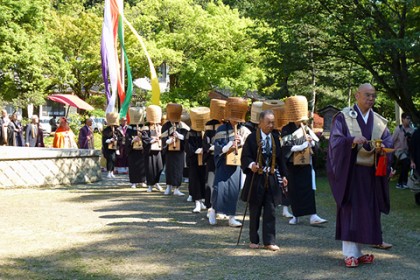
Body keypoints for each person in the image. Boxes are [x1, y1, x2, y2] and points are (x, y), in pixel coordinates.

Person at [327, 83, 393, 268]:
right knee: (350, 209)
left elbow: (387, 140)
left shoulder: (379, 121)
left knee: (366, 210)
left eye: (373, 96)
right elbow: (335, 141)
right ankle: (349, 253)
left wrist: (384, 151)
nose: (371, 99)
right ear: (357, 95)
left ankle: (358, 252)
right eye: (367, 95)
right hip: (351, 171)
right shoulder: (344, 117)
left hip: (370, 174)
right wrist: (351, 140)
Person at [241, 110, 288, 251]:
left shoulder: (275, 138)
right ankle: (253, 240)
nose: (271, 125)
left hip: (272, 178)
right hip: (256, 178)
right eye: (268, 122)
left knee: (271, 210)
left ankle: (269, 241)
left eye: (273, 122)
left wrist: (284, 176)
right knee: (255, 210)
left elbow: (281, 159)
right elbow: (245, 157)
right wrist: (251, 165)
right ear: (260, 122)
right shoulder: (251, 138)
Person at [281, 96, 327, 226]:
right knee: (294, 190)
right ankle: (296, 216)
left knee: (308, 190)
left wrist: (312, 143)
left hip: (306, 164)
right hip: (292, 165)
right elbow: (285, 147)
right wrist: (300, 147)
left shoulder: (306, 128)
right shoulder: (286, 129)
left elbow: (317, 145)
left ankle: (313, 215)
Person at [208, 97, 250, 227]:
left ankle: (232, 217)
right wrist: (229, 145)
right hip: (223, 163)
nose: (235, 120)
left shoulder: (244, 130)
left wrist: (242, 143)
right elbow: (217, 147)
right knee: (219, 189)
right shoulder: (221, 129)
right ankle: (213, 211)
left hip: (236, 164)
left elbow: (250, 148)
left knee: (234, 190)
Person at [161, 103, 189, 196]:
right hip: (169, 151)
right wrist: (168, 140)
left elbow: (187, 136)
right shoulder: (166, 125)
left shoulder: (182, 125)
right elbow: (162, 137)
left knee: (178, 169)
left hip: (179, 151)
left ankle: (177, 188)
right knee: (169, 169)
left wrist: (180, 136)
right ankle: (168, 187)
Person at [126, 108, 149, 189]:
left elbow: (146, 138)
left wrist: (141, 138)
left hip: (141, 150)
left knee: (142, 165)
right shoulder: (129, 128)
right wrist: (132, 140)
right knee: (133, 166)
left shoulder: (143, 127)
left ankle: (142, 181)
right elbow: (127, 139)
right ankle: (133, 182)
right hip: (133, 151)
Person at [392, 113, 414, 189]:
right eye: (407, 118)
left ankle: (403, 182)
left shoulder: (412, 130)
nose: (409, 120)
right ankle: (401, 182)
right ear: (403, 119)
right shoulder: (398, 129)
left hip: (408, 151)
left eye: (410, 118)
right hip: (398, 151)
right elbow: (392, 140)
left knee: (408, 162)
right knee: (406, 161)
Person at [145, 105, 164, 192]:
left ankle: (157, 182)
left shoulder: (160, 127)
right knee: (150, 168)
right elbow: (144, 138)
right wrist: (153, 140)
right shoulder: (146, 127)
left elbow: (164, 136)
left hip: (158, 150)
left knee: (159, 167)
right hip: (149, 150)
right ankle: (150, 184)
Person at [102, 112, 120, 178]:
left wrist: (117, 139)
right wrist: (110, 140)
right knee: (109, 159)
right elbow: (104, 139)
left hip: (114, 147)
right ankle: (109, 171)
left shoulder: (117, 130)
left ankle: (112, 171)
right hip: (108, 148)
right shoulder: (106, 130)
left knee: (114, 159)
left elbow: (120, 138)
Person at [409, 128, 420, 205]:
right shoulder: (416, 133)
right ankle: (418, 199)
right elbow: (411, 148)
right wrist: (412, 161)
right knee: (417, 181)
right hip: (418, 161)